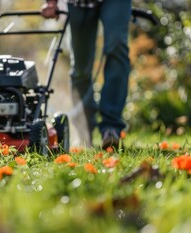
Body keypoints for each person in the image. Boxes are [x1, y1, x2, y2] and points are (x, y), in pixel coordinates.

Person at [41, 0, 131, 150]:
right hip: (79, 3)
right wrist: (51, 3)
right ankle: (84, 128)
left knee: (117, 46)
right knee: (81, 68)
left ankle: (112, 127)